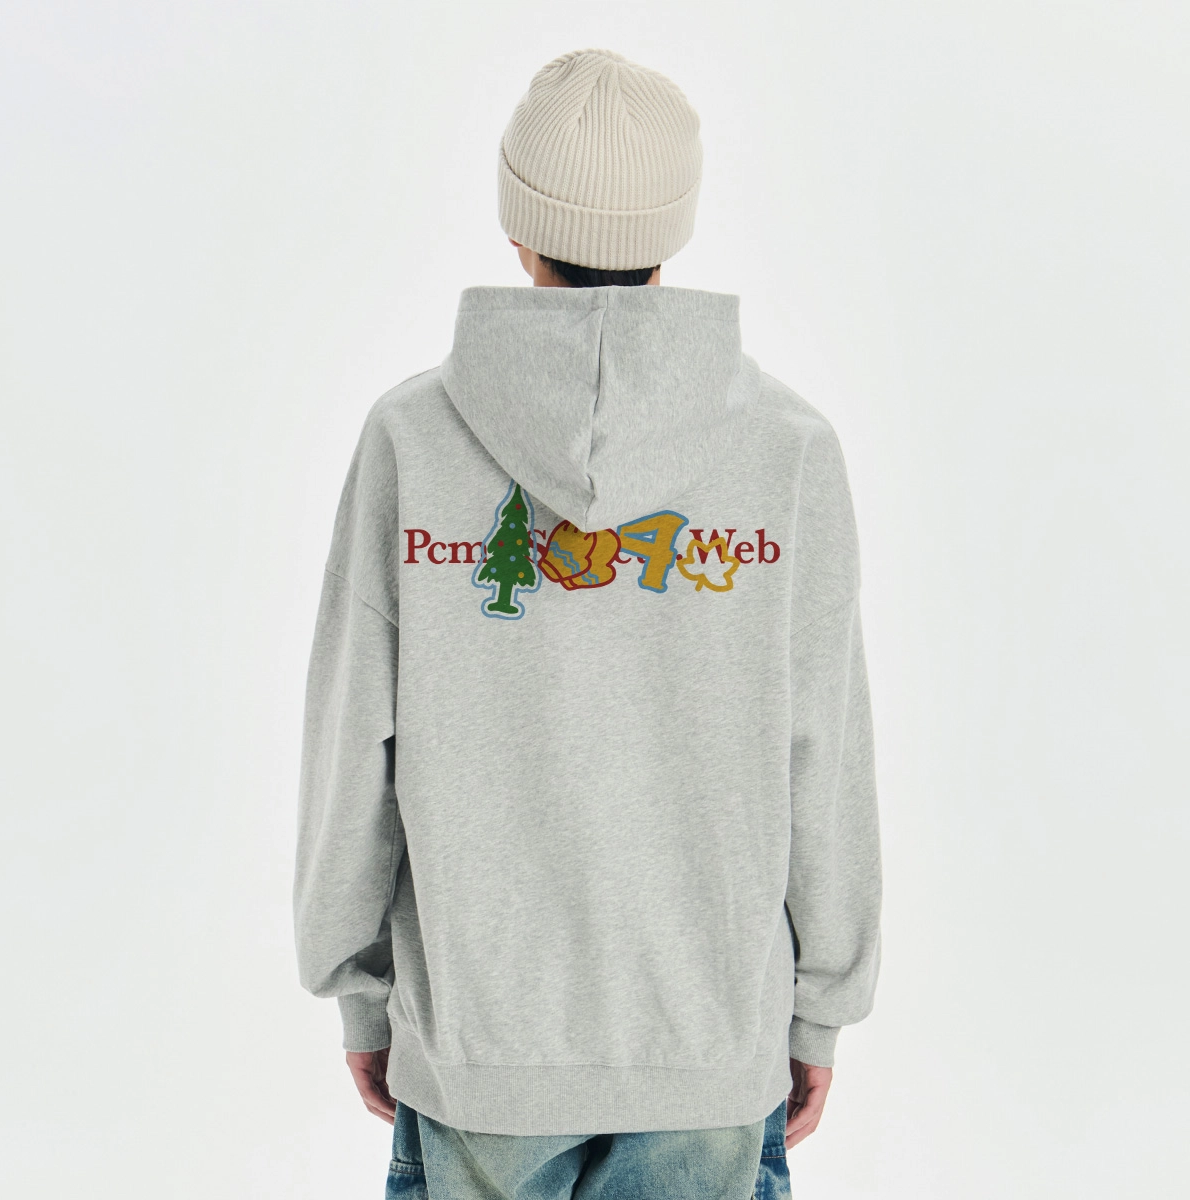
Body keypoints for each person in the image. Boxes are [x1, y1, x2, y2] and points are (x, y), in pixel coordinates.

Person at [293, 47, 882, 1200]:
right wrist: (819, 1007)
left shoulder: (411, 439)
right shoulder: (789, 452)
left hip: (479, 1047)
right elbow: (827, 757)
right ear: (676, 227)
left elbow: (352, 739)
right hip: (709, 1046)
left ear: (519, 226)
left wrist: (359, 989)